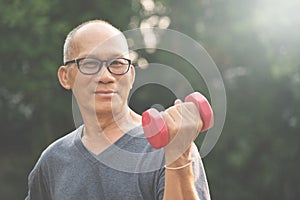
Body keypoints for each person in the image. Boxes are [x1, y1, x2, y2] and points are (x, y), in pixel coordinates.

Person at [25, 20, 211, 200]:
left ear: (131, 75)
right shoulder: (53, 160)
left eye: (117, 64)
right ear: (65, 77)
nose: (106, 76)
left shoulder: (169, 149)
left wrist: (178, 158)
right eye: (89, 63)